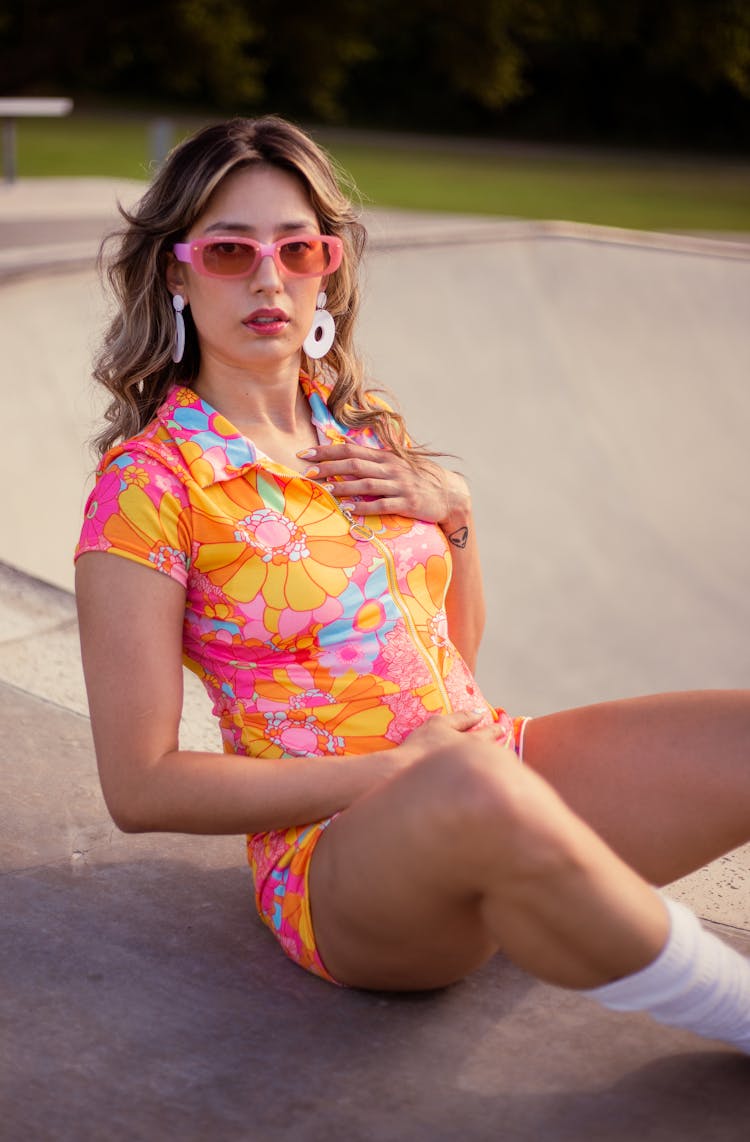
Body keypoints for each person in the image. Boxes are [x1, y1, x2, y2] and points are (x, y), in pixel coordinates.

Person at [75, 115, 750, 1055]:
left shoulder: (363, 424)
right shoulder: (150, 486)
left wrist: (456, 510)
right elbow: (138, 787)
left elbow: (455, 653)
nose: (269, 278)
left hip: (486, 762)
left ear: (327, 266)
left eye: (296, 247)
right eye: (230, 250)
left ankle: (522, 862)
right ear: (178, 273)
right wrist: (397, 772)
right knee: (470, 778)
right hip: (339, 853)